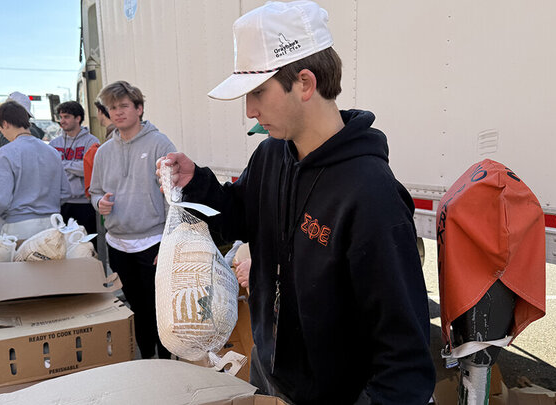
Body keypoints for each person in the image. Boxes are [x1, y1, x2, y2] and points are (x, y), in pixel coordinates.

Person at [157, 2, 435, 403]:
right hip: (269, 370)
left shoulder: (370, 193)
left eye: (257, 93)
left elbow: (403, 351)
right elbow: (237, 217)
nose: (250, 110)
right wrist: (198, 183)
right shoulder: (272, 155)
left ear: (305, 83)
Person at [89, 81, 176, 359]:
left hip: (154, 242)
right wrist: (99, 203)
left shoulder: (159, 143)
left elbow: (173, 196)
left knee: (159, 306)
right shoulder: (103, 152)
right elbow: (95, 192)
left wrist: (170, 241)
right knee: (136, 306)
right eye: (112, 108)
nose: (118, 112)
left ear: (138, 108)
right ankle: (147, 359)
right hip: (118, 244)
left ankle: (167, 362)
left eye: (124, 106)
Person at [0, 100, 70, 239]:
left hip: (20, 228)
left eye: (1, 129)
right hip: (53, 225)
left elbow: (0, 199)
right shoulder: (52, 151)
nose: (3, 134)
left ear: (5, 123)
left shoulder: (5, 153)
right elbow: (65, 192)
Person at [48, 101, 99, 236]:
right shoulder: (54, 143)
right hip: (61, 203)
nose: (62, 121)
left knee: (86, 246)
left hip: (84, 204)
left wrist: (63, 164)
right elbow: (50, 170)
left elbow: (89, 169)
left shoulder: (91, 141)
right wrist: (74, 165)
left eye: (66, 117)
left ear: (78, 118)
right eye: (61, 117)